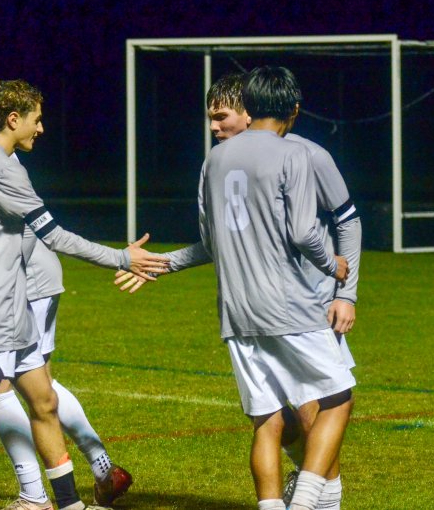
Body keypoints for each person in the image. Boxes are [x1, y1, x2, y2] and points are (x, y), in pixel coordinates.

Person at [0, 79, 168, 510]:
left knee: (43, 400)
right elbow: (56, 237)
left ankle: (66, 504)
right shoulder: (3, 168)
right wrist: (121, 258)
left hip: (15, 309)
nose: (42, 128)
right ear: (14, 119)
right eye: (37, 118)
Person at [117, 71, 361, 508]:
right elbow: (305, 232)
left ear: (248, 110)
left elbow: (346, 220)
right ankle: (310, 503)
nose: (214, 127)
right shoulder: (285, 156)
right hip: (292, 306)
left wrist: (346, 294)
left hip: (240, 311)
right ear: (291, 108)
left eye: (221, 116)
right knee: (332, 401)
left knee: (273, 421)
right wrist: (334, 266)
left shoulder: (224, 161)